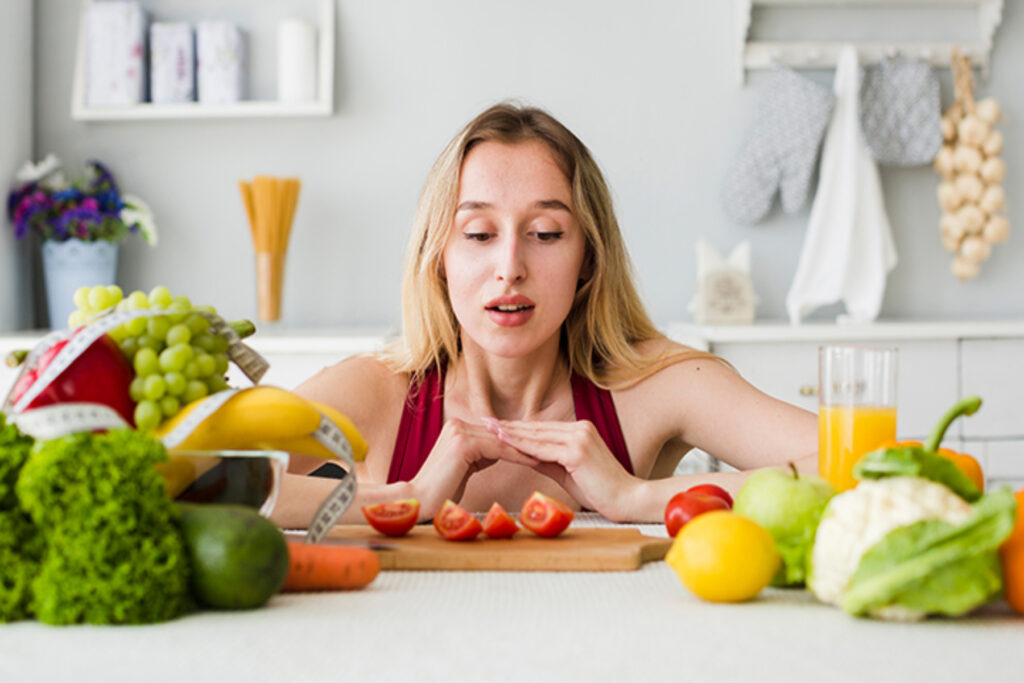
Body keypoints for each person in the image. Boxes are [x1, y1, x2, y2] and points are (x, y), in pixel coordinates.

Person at [273, 102, 817, 528]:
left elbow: (870, 463)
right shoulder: (378, 393)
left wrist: (635, 496)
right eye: (479, 234)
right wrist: (405, 499)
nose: (509, 267)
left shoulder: (657, 384)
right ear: (439, 259)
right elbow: (198, 477)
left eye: (546, 234)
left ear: (588, 259)